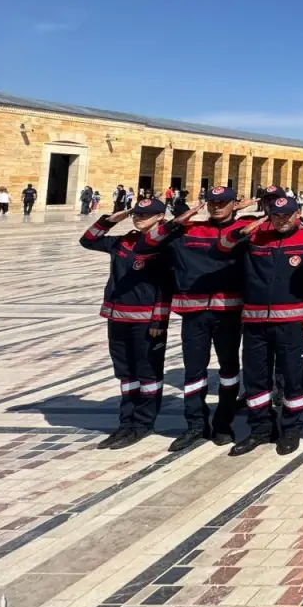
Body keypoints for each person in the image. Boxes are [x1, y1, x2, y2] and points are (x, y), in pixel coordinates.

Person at [145, 185, 258, 451]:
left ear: (234, 204)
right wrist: (174, 224)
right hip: (194, 313)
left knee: (229, 372)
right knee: (194, 371)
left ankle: (223, 422)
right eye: (213, 202)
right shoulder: (191, 230)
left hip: (228, 312)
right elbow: (147, 244)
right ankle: (195, 425)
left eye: (223, 203)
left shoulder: (244, 231)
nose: (217, 207)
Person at [218, 194, 303, 456]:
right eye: (276, 215)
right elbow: (223, 247)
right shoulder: (255, 235)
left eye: (286, 215)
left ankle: (291, 428)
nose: (281, 220)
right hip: (255, 321)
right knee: (256, 378)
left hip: (291, 322)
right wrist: (246, 229)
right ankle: (260, 428)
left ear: (297, 215)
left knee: (292, 378)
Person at [80, 198, 172, 449]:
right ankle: (126, 422)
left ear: (159, 217)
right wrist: (109, 220)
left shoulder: (164, 245)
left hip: (146, 320)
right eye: (137, 214)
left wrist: (159, 319)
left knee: (147, 372)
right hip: (117, 315)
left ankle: (143, 423)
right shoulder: (124, 241)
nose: (139, 218)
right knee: (126, 373)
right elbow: (88, 240)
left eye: (146, 215)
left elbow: (167, 285)